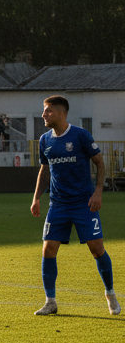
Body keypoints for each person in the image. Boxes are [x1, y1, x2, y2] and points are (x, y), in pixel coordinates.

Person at [31, 95, 116, 315]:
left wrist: (98, 192)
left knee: (97, 250)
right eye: (44, 111)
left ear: (61, 113)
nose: (44, 115)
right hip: (57, 205)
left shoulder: (81, 136)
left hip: (83, 203)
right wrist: (36, 197)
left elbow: (99, 163)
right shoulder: (45, 140)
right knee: (48, 249)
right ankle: (51, 301)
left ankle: (110, 293)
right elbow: (45, 169)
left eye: (48, 111)